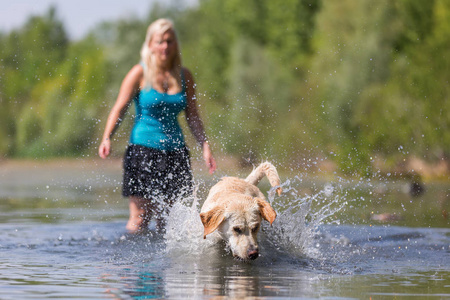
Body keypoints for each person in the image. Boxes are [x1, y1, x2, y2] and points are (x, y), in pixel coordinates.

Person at [98, 18, 216, 234]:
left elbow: (193, 115)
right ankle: (133, 266)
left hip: (176, 153)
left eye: (169, 41)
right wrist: (107, 136)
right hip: (143, 151)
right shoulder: (139, 73)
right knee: (140, 219)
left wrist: (205, 146)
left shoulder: (184, 76)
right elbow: (120, 108)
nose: (165, 46)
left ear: (175, 44)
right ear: (150, 44)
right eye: (160, 41)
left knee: (170, 222)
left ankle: (167, 267)